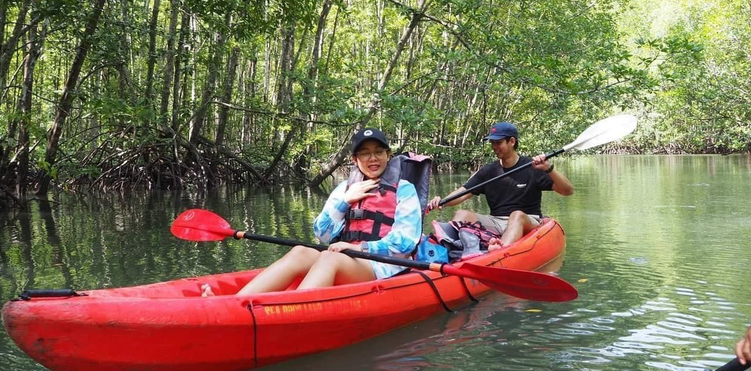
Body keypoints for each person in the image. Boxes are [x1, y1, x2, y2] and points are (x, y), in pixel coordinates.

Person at [203, 128, 423, 296]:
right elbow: (323, 234)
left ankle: (293, 310)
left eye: (378, 152)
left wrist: (359, 247)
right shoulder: (345, 189)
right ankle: (239, 302)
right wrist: (344, 202)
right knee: (301, 251)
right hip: (351, 259)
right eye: (365, 153)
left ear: (388, 155)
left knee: (329, 259)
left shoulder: (404, 189)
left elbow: (404, 242)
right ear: (355, 160)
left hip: (386, 266)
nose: (372, 158)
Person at [427, 121, 574, 250]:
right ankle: (453, 251)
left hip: (527, 220)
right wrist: (441, 202)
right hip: (496, 221)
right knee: (461, 214)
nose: (494, 146)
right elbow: (462, 193)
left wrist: (549, 169)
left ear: (512, 141)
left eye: (498, 142)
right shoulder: (488, 171)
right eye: (492, 143)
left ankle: (499, 253)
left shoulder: (533, 167)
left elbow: (567, 191)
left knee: (516, 215)